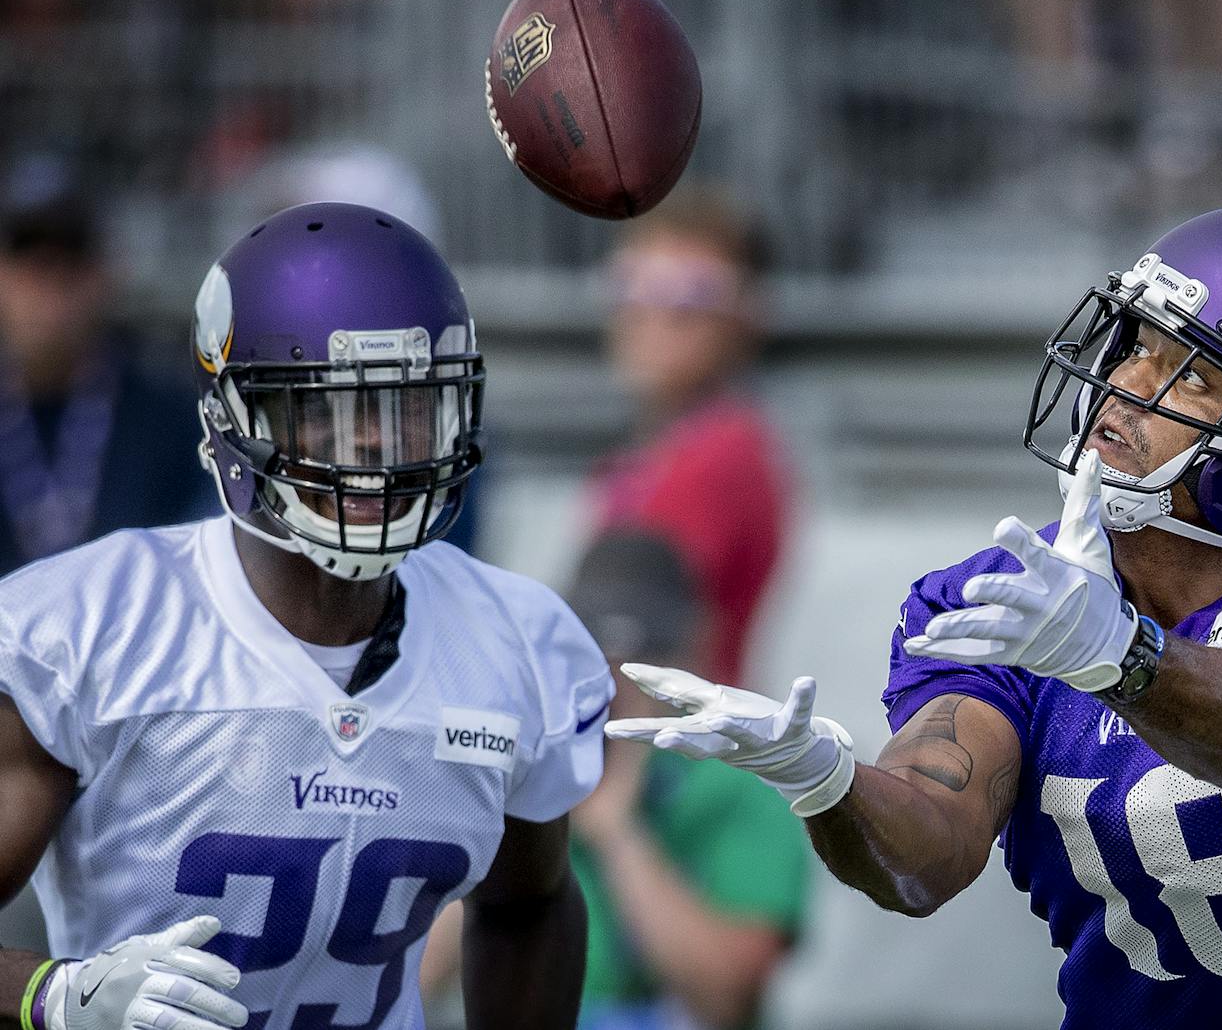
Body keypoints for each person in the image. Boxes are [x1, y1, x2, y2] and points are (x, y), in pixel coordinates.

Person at [606, 207, 1222, 1027]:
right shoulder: (1012, 595)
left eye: (1190, 374)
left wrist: (1122, 656)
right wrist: (826, 783)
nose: (1125, 388)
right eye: (1136, 346)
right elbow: (931, 853)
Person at [0, 201, 612, 1029]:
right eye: (327, 409)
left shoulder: (516, 644)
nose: (372, 445)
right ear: (231, 418)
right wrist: (56, 997)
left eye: (408, 406)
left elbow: (528, 905)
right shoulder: (89, 630)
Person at [424, 529, 810, 1030]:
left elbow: (728, 1000)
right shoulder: (518, 776)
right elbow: (404, 982)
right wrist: (523, 811)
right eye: (595, 660)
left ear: (692, 653)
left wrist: (617, 833)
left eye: (644, 663)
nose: (615, 688)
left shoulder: (738, 795)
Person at [588, 190, 789, 689]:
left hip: (669, 751)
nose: (649, 320)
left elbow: (644, 657)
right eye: (631, 285)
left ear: (744, 317)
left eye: (687, 299)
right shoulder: (656, 448)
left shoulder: (717, 458)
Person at [0, 149, 214, 576]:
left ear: (108, 269)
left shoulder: (174, 420)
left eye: (72, 253)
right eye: (29, 255)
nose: (51, 278)